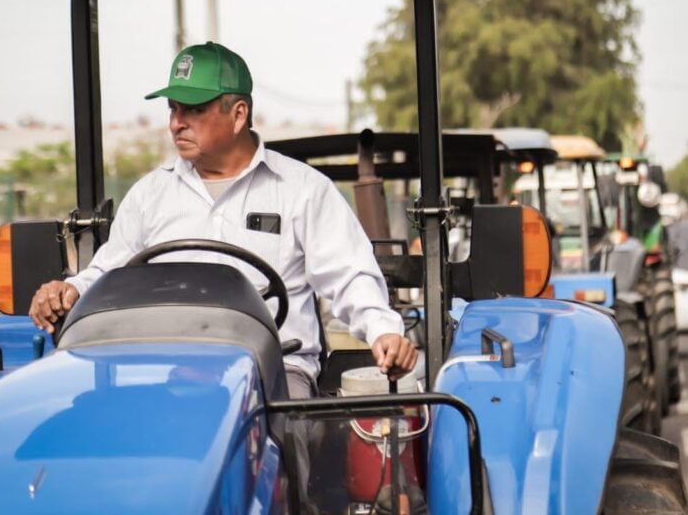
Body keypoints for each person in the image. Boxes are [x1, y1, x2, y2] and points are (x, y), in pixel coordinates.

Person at [29, 41, 418, 398]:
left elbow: (349, 275)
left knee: (284, 434)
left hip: (273, 371)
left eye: (194, 110)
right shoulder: (151, 195)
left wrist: (383, 331)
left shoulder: (302, 190)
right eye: (173, 109)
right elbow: (109, 270)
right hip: (168, 371)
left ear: (238, 115)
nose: (176, 123)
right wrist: (73, 289)